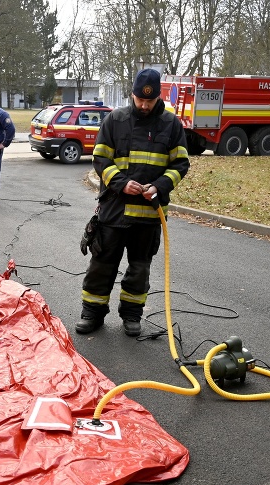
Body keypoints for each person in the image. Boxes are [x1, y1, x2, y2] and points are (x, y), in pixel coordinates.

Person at [75, 68, 190, 337]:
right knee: (102, 264)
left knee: (139, 268)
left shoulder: (171, 124)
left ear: (157, 97)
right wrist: (121, 183)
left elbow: (181, 163)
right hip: (114, 210)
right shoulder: (115, 120)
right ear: (132, 95)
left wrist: (159, 186)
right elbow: (101, 158)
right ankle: (92, 313)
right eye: (140, 100)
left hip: (149, 215)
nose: (145, 105)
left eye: (149, 101)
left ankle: (131, 315)